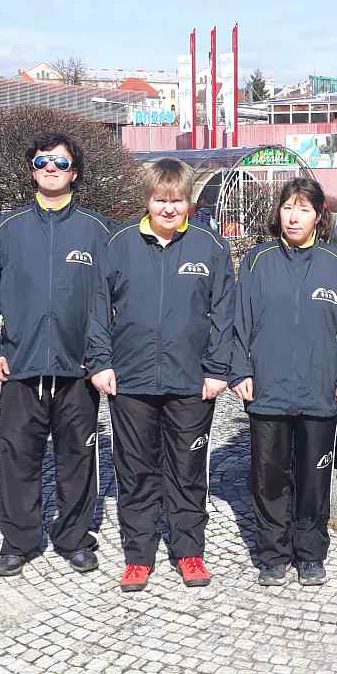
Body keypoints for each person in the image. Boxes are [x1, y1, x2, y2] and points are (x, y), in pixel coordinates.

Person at [87, 158, 234, 592]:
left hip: (191, 382)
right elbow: (96, 309)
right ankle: (139, 556)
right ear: (147, 201)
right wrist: (100, 362)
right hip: (130, 381)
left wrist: (218, 369)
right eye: (160, 200)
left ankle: (189, 551)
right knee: (135, 470)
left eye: (177, 201)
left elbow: (225, 313)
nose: (169, 209)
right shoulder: (118, 245)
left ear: (189, 202)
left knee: (187, 469)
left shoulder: (210, 246)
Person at [0, 133, 110, 578]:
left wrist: (102, 358)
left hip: (78, 370)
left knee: (78, 459)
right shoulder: (6, 230)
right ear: (32, 170)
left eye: (61, 162)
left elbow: (115, 301)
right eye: (43, 161)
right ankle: (19, 541)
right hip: (21, 367)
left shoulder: (97, 230)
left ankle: (74, 538)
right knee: (17, 458)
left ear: (75, 173)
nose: (51, 168)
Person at [229, 178, 337, 587]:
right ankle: (273, 554)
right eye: (288, 207)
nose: (294, 217)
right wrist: (240, 370)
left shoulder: (336, 263)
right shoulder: (257, 261)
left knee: (313, 478)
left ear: (319, 215)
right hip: (267, 389)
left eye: (304, 209)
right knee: (269, 477)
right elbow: (240, 322)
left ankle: (310, 553)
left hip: (319, 390)